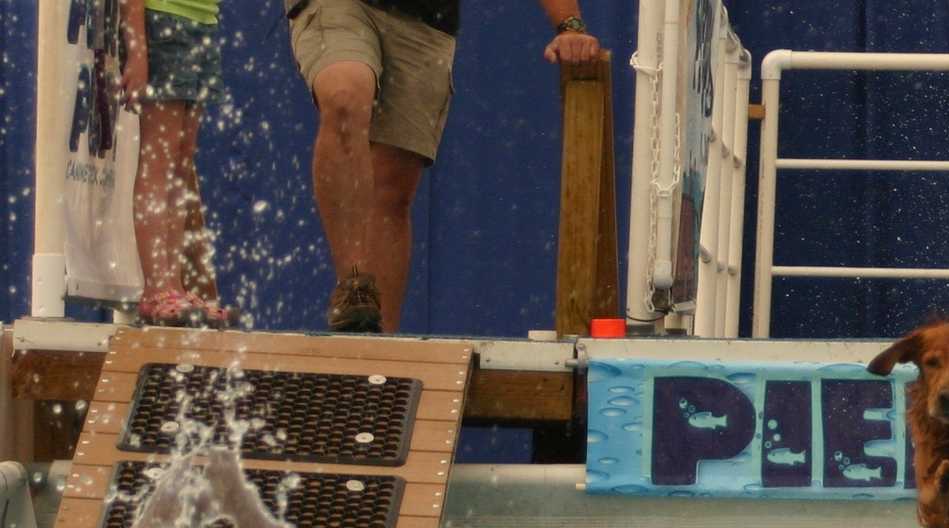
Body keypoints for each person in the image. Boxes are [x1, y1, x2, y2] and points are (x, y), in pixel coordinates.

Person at [285, 0, 602, 333]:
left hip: (427, 19)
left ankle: (376, 347)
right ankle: (353, 284)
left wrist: (570, 26)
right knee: (345, 95)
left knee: (391, 190)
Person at [120, 0, 238, 327]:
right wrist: (138, 48)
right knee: (160, 158)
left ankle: (174, 284)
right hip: (163, 21)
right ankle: (156, 287)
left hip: (202, 20)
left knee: (181, 162)